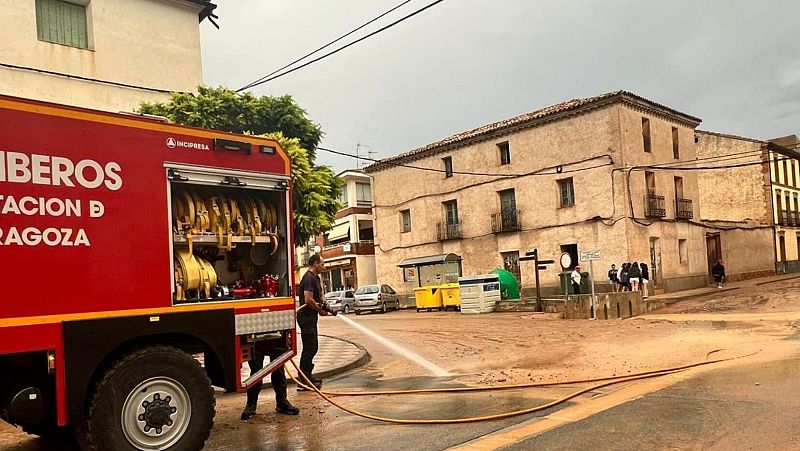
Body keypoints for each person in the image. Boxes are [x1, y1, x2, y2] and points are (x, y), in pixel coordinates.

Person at [297, 253, 336, 390]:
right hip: (306, 317)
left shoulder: (316, 278)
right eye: (322, 264)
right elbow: (308, 299)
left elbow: (319, 298)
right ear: (315, 264)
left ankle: (307, 376)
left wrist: (326, 308)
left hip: (311, 317)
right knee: (310, 348)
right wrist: (319, 310)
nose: (324, 267)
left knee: (313, 347)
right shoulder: (309, 278)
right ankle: (304, 380)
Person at [240, 338, 300, 420]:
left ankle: (282, 402)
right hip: (255, 339)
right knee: (256, 372)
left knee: (278, 369)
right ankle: (251, 404)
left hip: (276, 338)